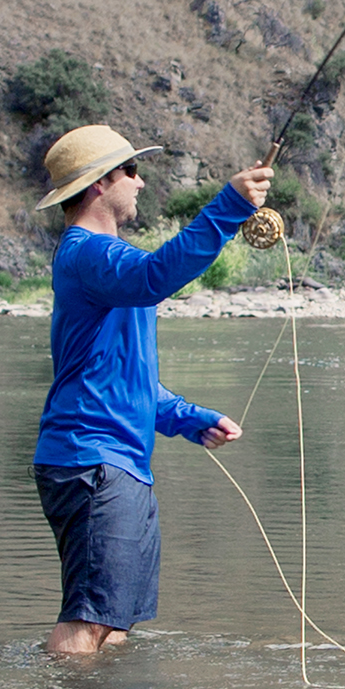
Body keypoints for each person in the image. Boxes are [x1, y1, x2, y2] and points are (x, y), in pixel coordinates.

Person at [29, 120, 271, 659]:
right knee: (89, 621)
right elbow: (156, 276)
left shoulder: (106, 264)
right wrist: (229, 205)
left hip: (115, 465)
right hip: (92, 462)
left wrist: (189, 418)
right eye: (131, 171)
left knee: (115, 624)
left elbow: (128, 379)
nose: (140, 182)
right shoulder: (86, 254)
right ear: (98, 184)